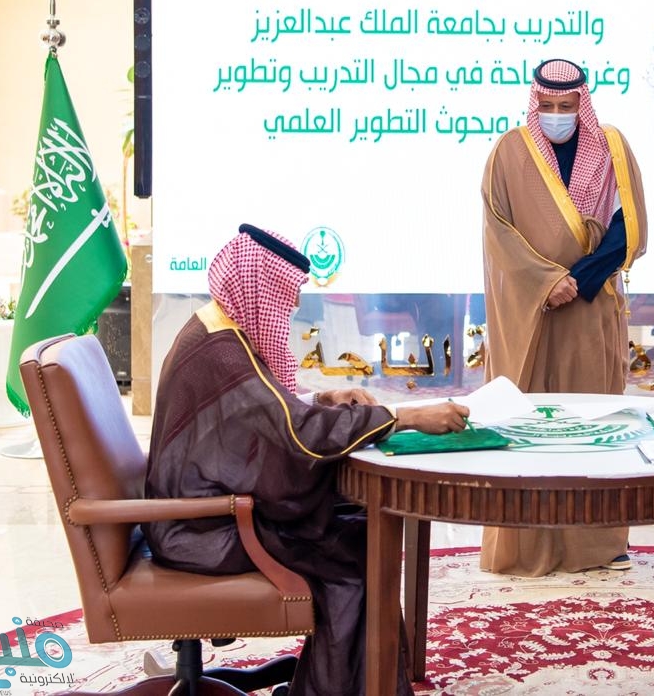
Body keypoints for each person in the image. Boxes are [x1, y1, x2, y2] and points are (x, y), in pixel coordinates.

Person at [145, 224, 470, 696]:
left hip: (205, 512)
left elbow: (265, 414)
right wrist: (407, 417)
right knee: (355, 556)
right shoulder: (222, 352)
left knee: (359, 523)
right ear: (258, 286)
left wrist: (326, 397)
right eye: (286, 295)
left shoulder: (216, 326)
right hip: (201, 529)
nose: (292, 306)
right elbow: (298, 436)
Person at [480, 58, 649, 575]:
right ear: (535, 102)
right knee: (527, 425)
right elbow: (498, 231)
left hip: (590, 310)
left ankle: (597, 545)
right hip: (532, 312)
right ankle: (524, 546)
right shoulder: (509, 152)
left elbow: (630, 227)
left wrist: (580, 279)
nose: (556, 115)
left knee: (592, 425)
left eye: (566, 106)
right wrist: (544, 281)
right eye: (547, 106)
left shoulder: (612, 148)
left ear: (582, 103)